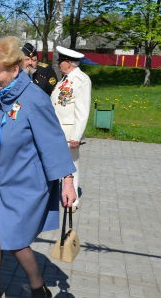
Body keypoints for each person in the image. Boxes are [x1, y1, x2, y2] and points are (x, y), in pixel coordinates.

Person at [0, 36, 77, 298]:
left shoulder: (34, 99)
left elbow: (53, 143)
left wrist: (68, 181)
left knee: (15, 240)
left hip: (25, 184)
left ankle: (39, 288)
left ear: (14, 70)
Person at [50, 46, 92, 210]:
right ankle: (62, 193)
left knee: (71, 166)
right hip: (58, 130)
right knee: (61, 164)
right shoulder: (65, 79)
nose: (59, 64)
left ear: (68, 62)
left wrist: (76, 135)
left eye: (60, 61)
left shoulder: (81, 80)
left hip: (69, 132)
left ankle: (72, 201)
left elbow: (83, 110)